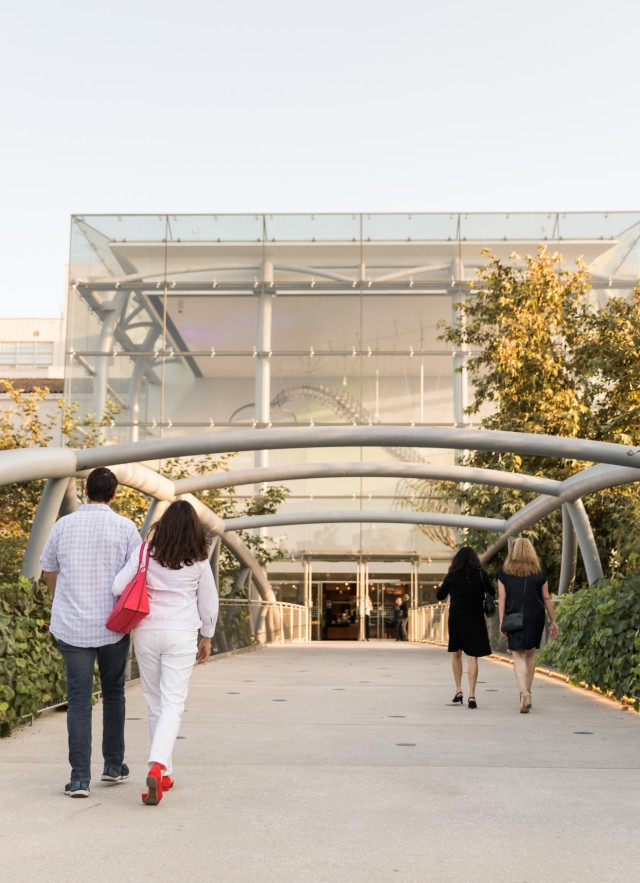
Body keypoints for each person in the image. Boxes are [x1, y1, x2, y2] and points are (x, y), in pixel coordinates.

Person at [40, 467, 141, 798]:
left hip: (72, 626)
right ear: (114, 494)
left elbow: (49, 570)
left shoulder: (63, 525)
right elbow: (138, 576)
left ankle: (80, 779)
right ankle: (113, 766)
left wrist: (62, 599)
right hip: (114, 625)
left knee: (79, 700)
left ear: (85, 491)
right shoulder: (126, 528)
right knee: (114, 693)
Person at [113, 500, 218, 805]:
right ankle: (158, 765)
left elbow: (119, 586)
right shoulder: (199, 559)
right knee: (173, 702)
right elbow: (208, 604)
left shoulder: (146, 550)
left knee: (155, 701)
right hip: (181, 634)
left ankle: (166, 772)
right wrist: (207, 636)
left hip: (146, 630)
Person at [498, 537, 559, 714]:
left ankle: (524, 692)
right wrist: (553, 620)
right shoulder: (539, 573)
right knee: (530, 653)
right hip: (535, 616)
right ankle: (528, 693)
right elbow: (546, 597)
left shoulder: (505, 572)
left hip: (514, 617)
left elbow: (502, 598)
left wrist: (501, 620)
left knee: (517, 654)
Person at [436, 546, 495, 709]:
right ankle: (472, 695)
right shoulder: (481, 574)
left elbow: (440, 596)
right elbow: (492, 591)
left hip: (456, 618)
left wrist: (444, 584)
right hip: (475, 617)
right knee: (472, 656)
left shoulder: (452, 575)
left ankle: (458, 690)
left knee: (456, 653)